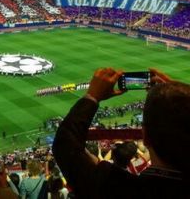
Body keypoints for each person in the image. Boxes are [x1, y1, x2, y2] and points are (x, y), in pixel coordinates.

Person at [52, 67, 189, 199]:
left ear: (145, 137)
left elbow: (65, 145)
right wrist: (178, 97)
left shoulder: (118, 188)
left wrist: (92, 96)